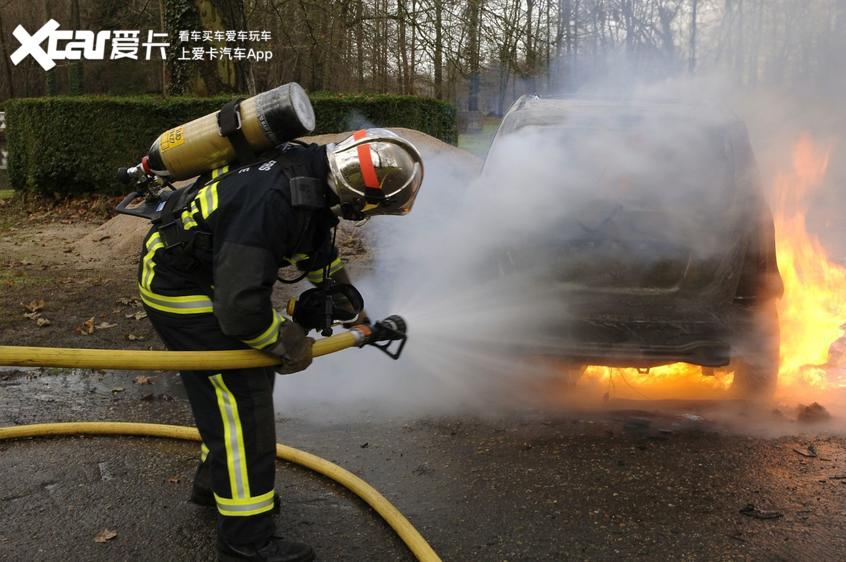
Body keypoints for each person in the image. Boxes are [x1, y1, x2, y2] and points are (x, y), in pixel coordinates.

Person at [137, 128, 423, 561]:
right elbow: (240, 311)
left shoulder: (309, 170)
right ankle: (246, 540)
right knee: (244, 395)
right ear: (358, 199)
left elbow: (314, 250)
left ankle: (218, 483)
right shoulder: (274, 201)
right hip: (179, 287)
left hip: (203, 272)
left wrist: (354, 310)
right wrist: (289, 342)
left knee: (237, 393)